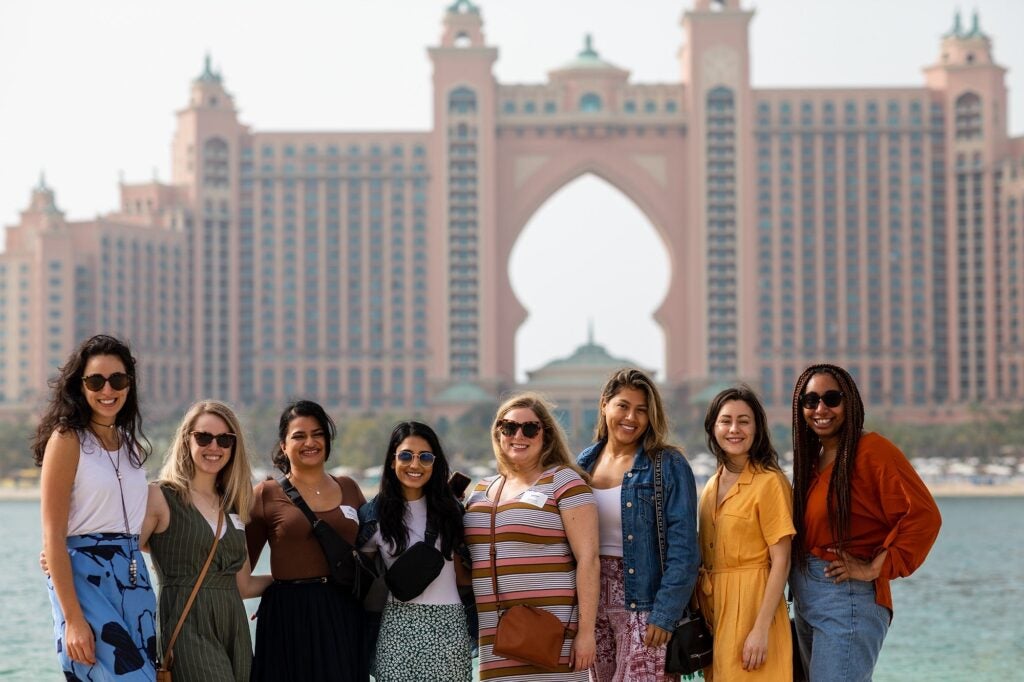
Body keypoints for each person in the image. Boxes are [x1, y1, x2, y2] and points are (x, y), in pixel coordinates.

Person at [789, 364, 942, 681]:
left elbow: (924, 516)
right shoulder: (813, 457)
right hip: (807, 599)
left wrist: (874, 567)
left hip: (847, 599)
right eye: (811, 400)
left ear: (850, 403)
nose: (821, 409)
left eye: (832, 398)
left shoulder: (872, 451)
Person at [35, 334, 158, 680]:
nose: (108, 390)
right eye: (96, 381)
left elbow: (138, 520)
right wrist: (73, 618)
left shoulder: (131, 446)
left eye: (117, 380)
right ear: (81, 386)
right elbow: (53, 535)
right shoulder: (67, 438)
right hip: (85, 582)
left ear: (129, 385)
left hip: (134, 581)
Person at [463, 392, 599, 681]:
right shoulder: (482, 490)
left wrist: (586, 633)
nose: (518, 435)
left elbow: (589, 560)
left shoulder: (564, 481)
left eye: (530, 428)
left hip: (552, 637)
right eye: (509, 427)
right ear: (498, 433)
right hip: (495, 639)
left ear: (545, 435)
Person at [577, 368, 700, 682]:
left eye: (641, 410)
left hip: (644, 605)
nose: (631, 417)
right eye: (623, 405)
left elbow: (684, 550)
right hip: (592, 608)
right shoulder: (582, 465)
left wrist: (666, 614)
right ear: (605, 405)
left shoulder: (667, 465)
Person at [145, 400, 272, 681]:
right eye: (204, 437)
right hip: (187, 625)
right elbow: (124, 551)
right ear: (186, 439)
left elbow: (245, 585)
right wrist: (67, 558)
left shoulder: (234, 506)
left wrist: (301, 580)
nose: (214, 447)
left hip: (234, 628)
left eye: (225, 439)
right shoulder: (161, 496)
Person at [245, 399, 367, 682]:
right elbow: (239, 573)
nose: (309, 442)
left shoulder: (349, 487)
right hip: (288, 617)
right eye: (298, 436)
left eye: (317, 434)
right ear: (284, 446)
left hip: (345, 612)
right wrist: (282, 586)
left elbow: (373, 552)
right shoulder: (264, 494)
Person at [357, 421, 474, 682]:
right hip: (396, 626)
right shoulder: (372, 515)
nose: (415, 465)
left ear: (435, 462)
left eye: (425, 457)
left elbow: (467, 573)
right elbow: (358, 582)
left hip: (449, 626)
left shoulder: (453, 510)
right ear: (391, 460)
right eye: (406, 455)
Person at [698, 386, 794, 680]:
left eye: (744, 421)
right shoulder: (711, 485)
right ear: (713, 427)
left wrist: (761, 629)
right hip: (715, 614)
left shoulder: (770, 482)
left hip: (754, 607)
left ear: (757, 428)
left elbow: (782, 560)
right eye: (726, 420)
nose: (734, 429)